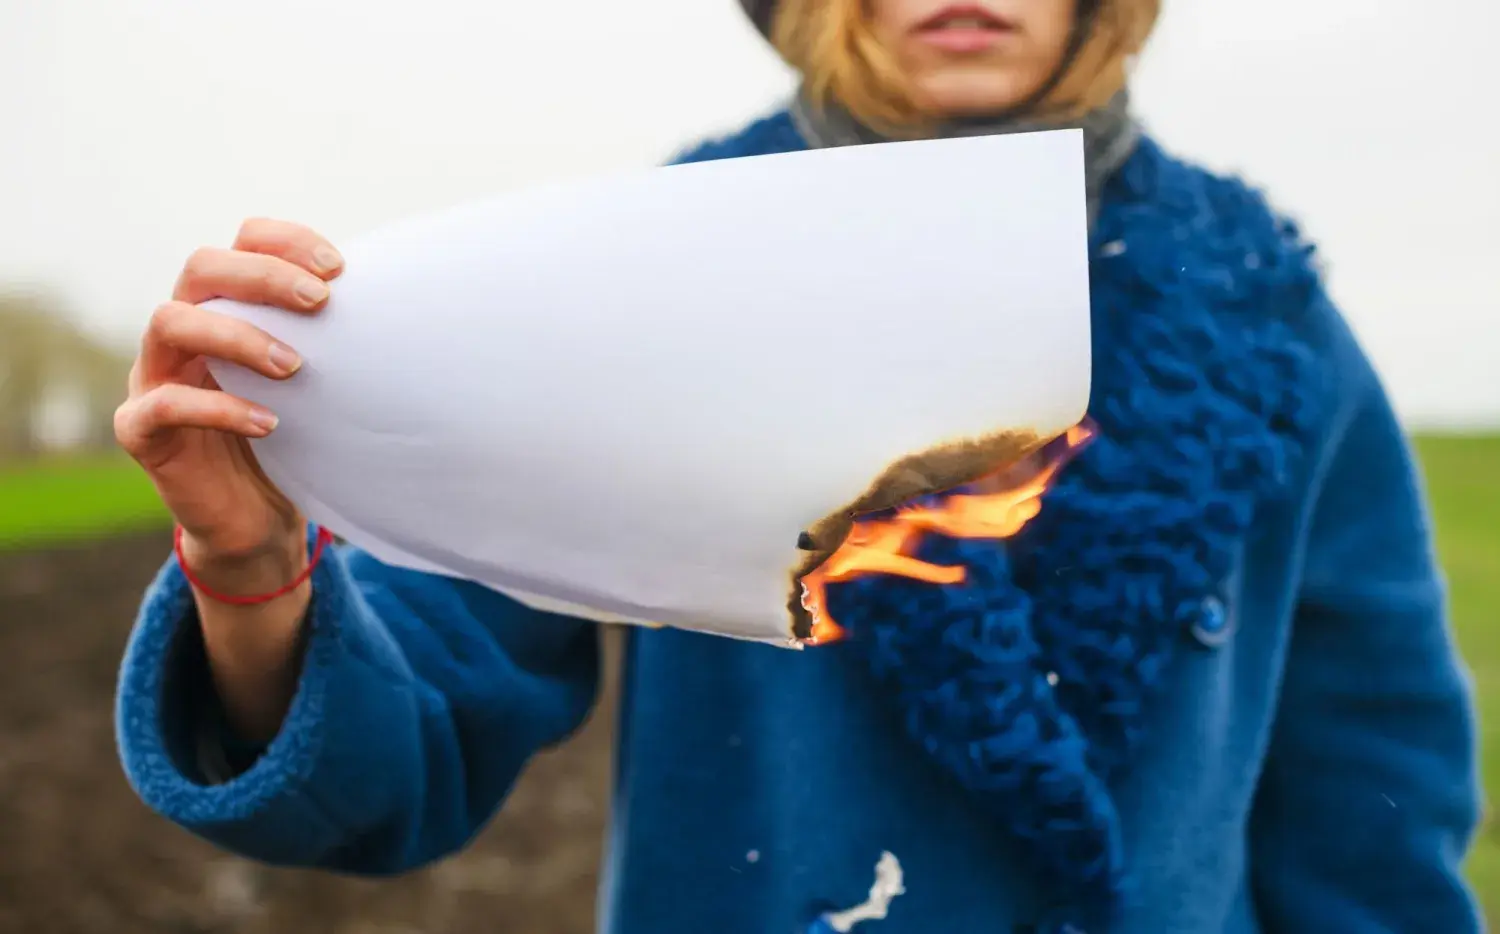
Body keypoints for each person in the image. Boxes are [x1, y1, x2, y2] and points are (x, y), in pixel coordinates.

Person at [111, 1, 1485, 931]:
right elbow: (401, 748)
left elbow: (1376, 798)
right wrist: (249, 563)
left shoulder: (1263, 312)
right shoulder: (644, 277)